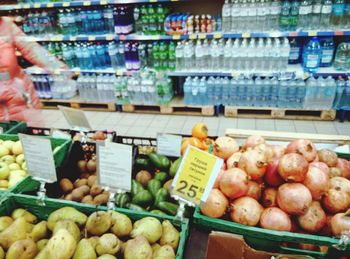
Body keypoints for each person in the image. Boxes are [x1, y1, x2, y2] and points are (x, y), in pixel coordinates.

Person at [0, 16, 66, 125]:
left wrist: (58, 67)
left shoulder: (5, 25)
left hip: (18, 90)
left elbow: (30, 48)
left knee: (32, 129)